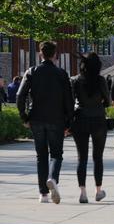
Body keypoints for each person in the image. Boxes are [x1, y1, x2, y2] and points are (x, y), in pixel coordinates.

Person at [17, 41, 74, 204]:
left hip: (36, 119)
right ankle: (53, 178)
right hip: (56, 120)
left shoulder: (32, 71)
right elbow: (69, 100)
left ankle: (43, 194)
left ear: (40, 54)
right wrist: (69, 122)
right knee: (56, 154)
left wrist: (24, 117)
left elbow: (20, 96)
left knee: (41, 156)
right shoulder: (62, 74)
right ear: (55, 54)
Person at [71, 52, 109, 203]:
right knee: (98, 157)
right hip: (98, 119)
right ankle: (98, 190)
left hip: (80, 119)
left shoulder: (76, 80)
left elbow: (70, 101)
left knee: (82, 158)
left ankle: (83, 192)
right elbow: (108, 100)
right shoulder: (101, 80)